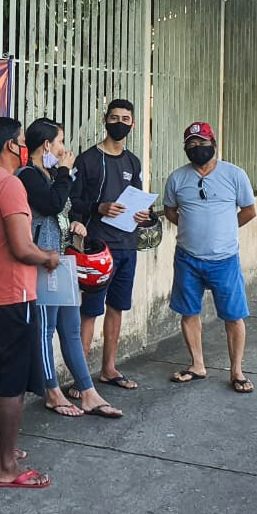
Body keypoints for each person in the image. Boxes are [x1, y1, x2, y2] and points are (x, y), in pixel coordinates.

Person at [0, 117, 60, 488]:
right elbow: (22, 248)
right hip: (14, 294)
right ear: (10, 145)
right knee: (13, 380)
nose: (25, 147)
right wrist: (48, 257)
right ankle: (6, 467)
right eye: (22, 141)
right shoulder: (9, 185)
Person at [16, 119, 123, 419]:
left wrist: (76, 223)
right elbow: (51, 204)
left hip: (63, 262)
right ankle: (52, 392)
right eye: (60, 141)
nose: (64, 149)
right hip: (43, 263)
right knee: (45, 330)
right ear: (46, 145)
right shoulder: (27, 176)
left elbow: (65, 208)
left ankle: (88, 391)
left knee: (71, 329)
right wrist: (64, 172)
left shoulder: (51, 175)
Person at [163, 121, 257, 393]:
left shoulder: (234, 174)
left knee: (233, 316)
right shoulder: (177, 178)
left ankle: (237, 371)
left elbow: (249, 211)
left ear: (213, 144)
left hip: (225, 260)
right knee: (188, 312)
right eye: (191, 144)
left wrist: (225, 229)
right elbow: (170, 211)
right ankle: (197, 365)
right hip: (187, 258)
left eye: (202, 142)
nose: (197, 147)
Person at [67, 99, 151, 391]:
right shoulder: (87, 159)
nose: (119, 123)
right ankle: (80, 379)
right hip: (97, 251)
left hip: (127, 246)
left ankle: (109, 369)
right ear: (104, 120)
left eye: (125, 119)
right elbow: (72, 202)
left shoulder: (133, 162)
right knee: (90, 312)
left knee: (117, 307)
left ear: (133, 124)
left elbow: (138, 201)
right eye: (114, 117)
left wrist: (144, 216)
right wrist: (98, 208)